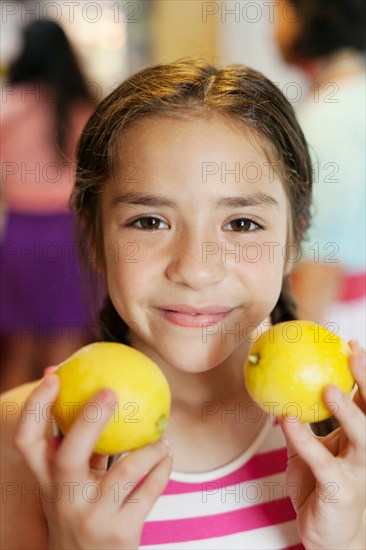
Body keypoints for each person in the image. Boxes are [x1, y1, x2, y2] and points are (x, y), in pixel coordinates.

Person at [1, 60, 365, 550]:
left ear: (293, 241)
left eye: (241, 224)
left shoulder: (350, 438)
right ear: (94, 238)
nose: (196, 269)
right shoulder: (21, 442)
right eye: (150, 222)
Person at [0, 20, 99, 391]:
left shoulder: (10, 105)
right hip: (70, 232)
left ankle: (7, 443)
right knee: (66, 354)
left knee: (21, 347)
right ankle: (62, 440)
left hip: (21, 232)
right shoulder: (87, 107)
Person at [274, 0, 366, 346]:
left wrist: (293, 348)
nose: (273, 29)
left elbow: (322, 260)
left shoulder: (327, 118)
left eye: (278, 12)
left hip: (334, 321)